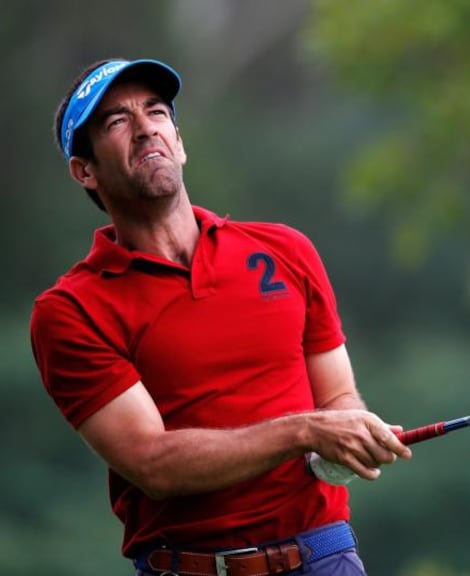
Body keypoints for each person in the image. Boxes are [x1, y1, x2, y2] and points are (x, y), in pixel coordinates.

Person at [30, 57, 411, 576]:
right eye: (117, 121)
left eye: (157, 112)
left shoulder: (286, 250)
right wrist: (307, 432)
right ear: (85, 171)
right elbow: (152, 463)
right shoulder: (72, 311)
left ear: (180, 142)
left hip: (324, 556)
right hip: (190, 567)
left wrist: (348, 437)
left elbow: (337, 398)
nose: (145, 130)